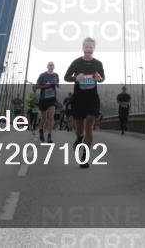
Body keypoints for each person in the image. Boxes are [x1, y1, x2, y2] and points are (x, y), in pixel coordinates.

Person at [63, 37, 105, 168]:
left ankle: (84, 156)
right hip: (78, 99)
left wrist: (99, 78)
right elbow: (66, 77)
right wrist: (76, 78)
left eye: (91, 47)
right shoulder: (76, 63)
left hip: (92, 99)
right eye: (86, 47)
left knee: (89, 128)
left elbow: (102, 78)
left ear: (94, 49)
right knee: (80, 130)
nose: (88, 49)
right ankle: (78, 139)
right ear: (83, 48)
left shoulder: (98, 63)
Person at [34, 62, 61, 143]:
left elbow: (58, 85)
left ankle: (49, 137)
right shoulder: (42, 75)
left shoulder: (56, 75)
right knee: (44, 118)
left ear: (54, 67)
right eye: (49, 65)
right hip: (43, 99)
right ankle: (41, 131)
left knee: (51, 117)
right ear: (47, 66)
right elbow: (37, 86)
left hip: (52, 99)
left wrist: (56, 84)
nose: (51, 66)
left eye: (52, 65)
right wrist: (45, 86)